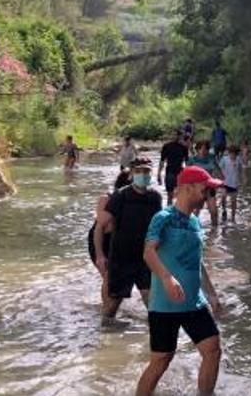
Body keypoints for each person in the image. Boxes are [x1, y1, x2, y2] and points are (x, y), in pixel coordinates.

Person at [137, 166, 223, 396]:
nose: (208, 195)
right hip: (165, 304)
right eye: (205, 189)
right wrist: (167, 278)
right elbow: (148, 252)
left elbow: (198, 262)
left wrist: (212, 294)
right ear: (187, 188)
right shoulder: (163, 218)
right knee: (161, 360)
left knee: (213, 350)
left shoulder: (194, 222)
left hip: (194, 303)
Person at [94, 158, 163, 319]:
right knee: (111, 309)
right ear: (131, 173)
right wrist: (99, 255)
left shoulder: (155, 198)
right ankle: (105, 338)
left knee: (153, 307)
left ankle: (158, 340)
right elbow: (100, 227)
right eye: (139, 171)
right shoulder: (121, 196)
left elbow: (159, 227)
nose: (143, 175)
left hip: (145, 258)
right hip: (121, 259)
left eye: (146, 171)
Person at [88, 169, 132, 308]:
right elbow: (101, 227)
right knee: (109, 276)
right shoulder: (107, 199)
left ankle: (110, 307)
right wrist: (100, 255)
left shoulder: (140, 201)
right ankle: (106, 312)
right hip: (102, 240)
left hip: (120, 240)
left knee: (115, 279)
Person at [188, 141, 221, 225]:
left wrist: (221, 180)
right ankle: (193, 230)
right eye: (201, 149)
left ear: (208, 149)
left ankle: (215, 232)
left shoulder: (212, 158)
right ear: (197, 150)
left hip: (210, 188)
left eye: (205, 149)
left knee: (214, 212)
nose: (203, 151)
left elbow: (218, 169)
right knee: (196, 212)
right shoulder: (192, 160)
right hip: (197, 189)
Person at [157, 132, 189, 205]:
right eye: (174, 135)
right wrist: (159, 174)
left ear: (180, 137)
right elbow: (162, 161)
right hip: (170, 172)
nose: (176, 137)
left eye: (177, 135)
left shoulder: (184, 147)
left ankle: (178, 213)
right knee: (170, 195)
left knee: (180, 195)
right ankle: (169, 213)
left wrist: (188, 176)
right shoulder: (166, 146)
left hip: (180, 172)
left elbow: (187, 163)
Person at [218, 145, 243, 224]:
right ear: (229, 153)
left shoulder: (238, 160)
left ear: (237, 154)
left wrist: (242, 179)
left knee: (234, 201)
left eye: (235, 154)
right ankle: (224, 210)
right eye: (231, 154)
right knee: (223, 197)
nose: (233, 156)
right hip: (225, 182)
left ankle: (233, 217)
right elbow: (219, 168)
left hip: (234, 183)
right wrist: (220, 176)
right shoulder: (224, 159)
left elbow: (240, 169)